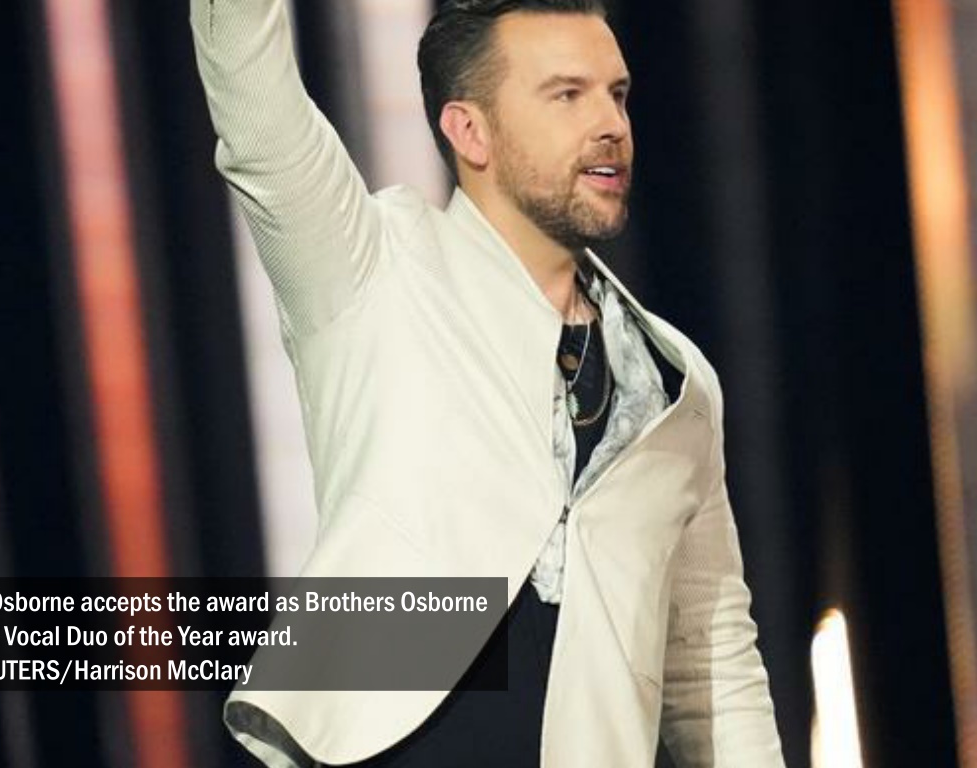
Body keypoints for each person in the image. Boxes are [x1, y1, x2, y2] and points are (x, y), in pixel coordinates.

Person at [190, 0, 786, 766]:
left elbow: (711, 660)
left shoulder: (676, 380)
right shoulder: (372, 269)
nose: (610, 124)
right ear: (469, 131)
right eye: (567, 95)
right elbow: (251, 94)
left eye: (617, 94)